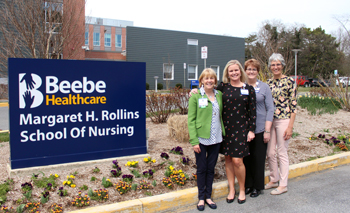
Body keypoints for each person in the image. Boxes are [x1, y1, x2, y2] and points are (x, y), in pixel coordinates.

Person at [217, 60, 256, 204]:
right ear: (227, 73)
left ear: (241, 71)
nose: (234, 73)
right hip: (226, 128)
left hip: (241, 129)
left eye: (236, 70)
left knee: (238, 160)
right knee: (228, 159)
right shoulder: (222, 87)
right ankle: (231, 190)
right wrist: (196, 90)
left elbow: (252, 112)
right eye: (231, 71)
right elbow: (208, 92)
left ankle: (242, 189)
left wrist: (251, 130)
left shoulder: (248, 88)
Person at [188, 68, 225, 211]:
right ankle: (201, 198)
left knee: (211, 169)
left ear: (215, 81)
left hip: (216, 138)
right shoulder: (195, 96)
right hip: (201, 139)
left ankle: (208, 196)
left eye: (212, 78)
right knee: (202, 169)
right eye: (206, 78)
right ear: (201, 81)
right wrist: (194, 141)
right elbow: (191, 120)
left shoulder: (219, 95)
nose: (209, 81)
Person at [265, 53, 297, 195]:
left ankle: (283, 184)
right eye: (273, 64)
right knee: (270, 152)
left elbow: (294, 105)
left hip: (284, 119)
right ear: (270, 67)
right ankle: (274, 179)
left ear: (282, 65)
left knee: (282, 151)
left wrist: (290, 126)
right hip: (270, 121)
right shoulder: (268, 83)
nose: (275, 67)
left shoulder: (290, 81)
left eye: (278, 64)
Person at [243, 59, 274, 198]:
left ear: (258, 71)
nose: (251, 71)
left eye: (254, 69)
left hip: (261, 128)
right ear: (245, 71)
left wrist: (267, 130)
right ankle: (248, 185)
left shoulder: (264, 87)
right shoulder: (241, 86)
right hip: (244, 128)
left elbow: (270, 109)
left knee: (258, 158)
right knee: (246, 158)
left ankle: (257, 186)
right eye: (248, 69)